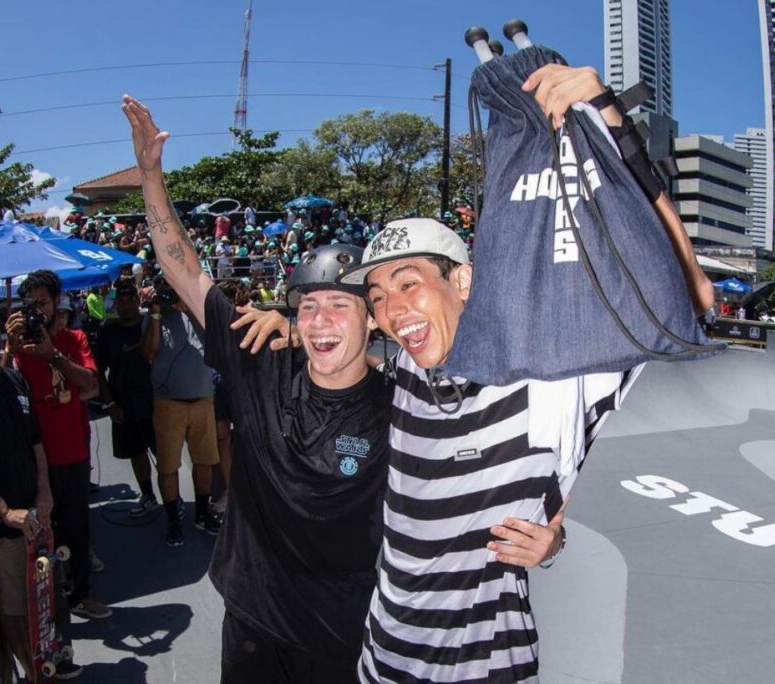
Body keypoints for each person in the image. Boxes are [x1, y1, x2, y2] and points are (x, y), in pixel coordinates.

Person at [123, 95, 561, 683]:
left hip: (347, 639)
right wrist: (150, 173)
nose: (321, 320)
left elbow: (490, 485)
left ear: (373, 321)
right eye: (308, 307)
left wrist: (551, 541)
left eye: (340, 306)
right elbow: (182, 269)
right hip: (253, 625)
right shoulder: (259, 363)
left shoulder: (403, 407)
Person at [336, 64, 715, 682]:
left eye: (409, 285)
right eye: (378, 297)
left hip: (487, 668)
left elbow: (686, 297)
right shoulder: (404, 366)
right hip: (381, 660)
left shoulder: (553, 372)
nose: (392, 310)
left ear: (462, 281)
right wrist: (289, 323)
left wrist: (610, 120)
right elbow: (340, 341)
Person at [0, 299, 83, 681]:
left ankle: (48, 670)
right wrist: (5, 511)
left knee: (46, 606)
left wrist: (44, 493)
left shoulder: (14, 378)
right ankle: (35, 677)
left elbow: (35, 443)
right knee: (16, 614)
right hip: (3, 530)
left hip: (37, 518)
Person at [5, 270, 112, 623]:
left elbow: (91, 386)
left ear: (56, 303)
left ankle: (80, 594)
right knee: (39, 536)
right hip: (32, 458)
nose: (37, 311)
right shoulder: (18, 348)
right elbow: (2, 391)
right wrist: (9, 350)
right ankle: (45, 607)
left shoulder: (75, 338)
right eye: (30, 305)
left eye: (43, 303)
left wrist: (53, 356)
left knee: (77, 529)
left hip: (72, 452)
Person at [139, 277, 220, 546]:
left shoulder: (200, 312)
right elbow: (148, 351)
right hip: (169, 403)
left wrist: (189, 303)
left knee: (205, 460)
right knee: (168, 465)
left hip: (203, 400)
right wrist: (156, 312)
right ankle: (173, 519)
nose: (171, 295)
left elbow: (218, 339)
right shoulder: (155, 317)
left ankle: (202, 512)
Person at [94, 279, 159, 517]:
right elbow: (99, 371)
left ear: (137, 300)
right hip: (122, 403)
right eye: (121, 300)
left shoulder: (149, 324)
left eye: (131, 299)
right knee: (136, 452)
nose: (127, 304)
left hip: (154, 401)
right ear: (116, 304)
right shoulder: (107, 332)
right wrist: (109, 403)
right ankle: (148, 496)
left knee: (163, 454)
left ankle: (173, 499)